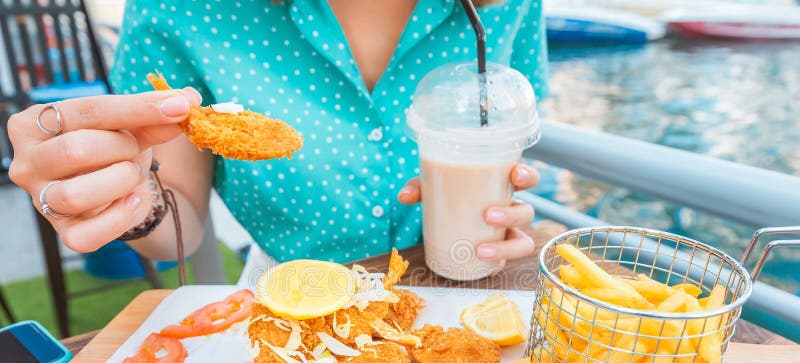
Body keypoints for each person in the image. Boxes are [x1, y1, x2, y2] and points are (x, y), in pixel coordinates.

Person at [8, 0, 547, 283]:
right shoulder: (179, 8)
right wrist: (121, 195)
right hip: (290, 306)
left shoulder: (508, 5)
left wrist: (501, 220)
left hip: (469, 290)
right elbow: (177, 216)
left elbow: (503, 157)